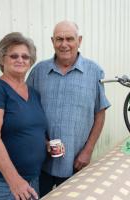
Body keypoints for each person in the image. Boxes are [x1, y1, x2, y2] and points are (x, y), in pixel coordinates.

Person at [27, 20, 110, 197]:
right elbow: (27, 111)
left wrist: (88, 151)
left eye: (69, 39)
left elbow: (99, 114)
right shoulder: (38, 72)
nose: (64, 44)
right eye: (59, 39)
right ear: (52, 41)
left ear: (79, 40)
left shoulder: (94, 71)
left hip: (76, 161)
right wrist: (42, 142)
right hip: (41, 160)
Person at [0, 32, 48, 200]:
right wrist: (14, 181)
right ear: (2, 59)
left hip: (30, 178)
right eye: (14, 56)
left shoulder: (33, 93)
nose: (20, 60)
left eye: (25, 57)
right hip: (0, 180)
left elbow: (31, 129)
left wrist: (45, 144)